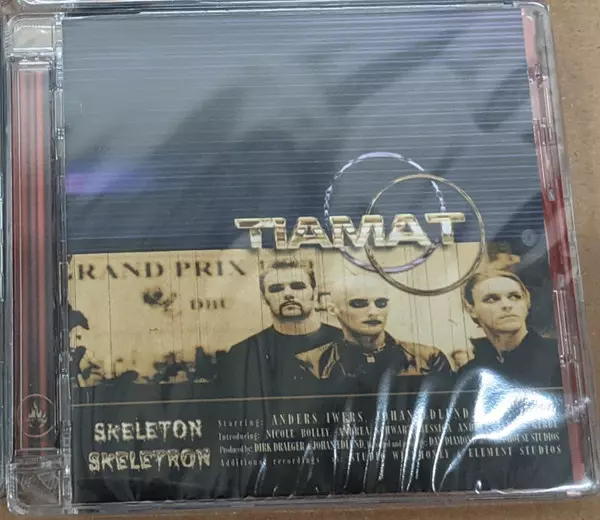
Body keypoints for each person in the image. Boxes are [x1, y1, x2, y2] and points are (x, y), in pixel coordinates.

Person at [218, 256, 342, 397]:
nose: (288, 294)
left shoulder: (346, 343)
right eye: (276, 289)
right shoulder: (242, 353)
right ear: (264, 297)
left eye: (298, 286)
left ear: (314, 292)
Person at [298, 274, 452, 386]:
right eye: (359, 304)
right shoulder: (310, 364)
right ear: (333, 310)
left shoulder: (429, 358)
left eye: (381, 303)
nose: (373, 312)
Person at [458, 269, 562, 388]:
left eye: (514, 297)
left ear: (527, 302)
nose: (507, 305)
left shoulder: (559, 355)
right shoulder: (469, 374)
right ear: (471, 310)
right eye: (492, 299)